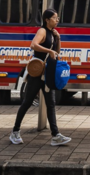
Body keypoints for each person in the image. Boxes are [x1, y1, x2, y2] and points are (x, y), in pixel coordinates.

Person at [10, 8, 72, 146]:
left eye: (57, 18)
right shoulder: (42, 31)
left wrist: (58, 38)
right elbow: (33, 45)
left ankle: (55, 135)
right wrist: (48, 50)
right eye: (55, 18)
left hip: (47, 74)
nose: (57, 20)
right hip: (37, 73)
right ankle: (15, 132)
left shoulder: (52, 33)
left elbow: (56, 53)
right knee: (27, 102)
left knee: (51, 104)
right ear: (47, 20)